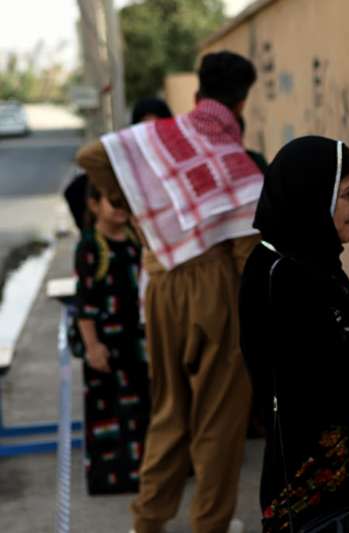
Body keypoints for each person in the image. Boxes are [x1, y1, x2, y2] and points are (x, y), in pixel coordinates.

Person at [77, 51, 262, 533]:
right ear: (241, 101)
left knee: (168, 410)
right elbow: (247, 252)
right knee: (219, 418)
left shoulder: (158, 138)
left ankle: (148, 522)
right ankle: (209, 524)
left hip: (159, 281)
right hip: (215, 286)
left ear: (199, 93)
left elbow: (90, 157)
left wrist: (135, 207)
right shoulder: (238, 163)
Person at [239, 136, 349, 533]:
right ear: (312, 196)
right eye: (348, 193)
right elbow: (317, 384)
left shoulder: (313, 264)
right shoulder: (282, 277)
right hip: (329, 505)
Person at [68, 182, 148, 495]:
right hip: (105, 343)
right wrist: (92, 346)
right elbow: (85, 304)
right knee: (107, 411)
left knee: (140, 406)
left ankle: (144, 474)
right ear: (93, 205)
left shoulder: (132, 239)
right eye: (112, 201)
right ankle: (110, 478)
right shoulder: (90, 246)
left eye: (123, 202)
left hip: (135, 341)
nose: (119, 208)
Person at [64, 98, 173, 232]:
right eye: (143, 130)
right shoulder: (125, 164)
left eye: (155, 128)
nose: (149, 136)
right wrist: (120, 201)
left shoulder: (174, 164)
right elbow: (84, 163)